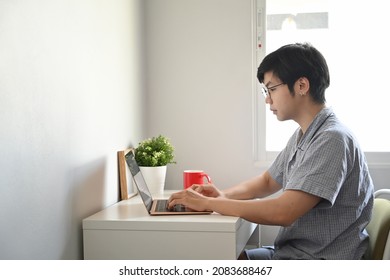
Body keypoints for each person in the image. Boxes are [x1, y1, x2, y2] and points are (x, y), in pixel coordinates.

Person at [168, 43, 374, 260]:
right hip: (297, 252)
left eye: (272, 89)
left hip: (319, 260)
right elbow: (268, 181)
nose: (268, 99)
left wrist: (210, 204)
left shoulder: (332, 138)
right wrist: (223, 194)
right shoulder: (304, 135)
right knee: (231, 258)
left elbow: (284, 212)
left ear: (302, 85)